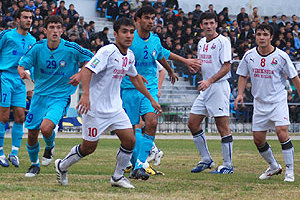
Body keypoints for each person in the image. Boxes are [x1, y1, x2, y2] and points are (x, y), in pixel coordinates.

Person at [54, 17, 161, 189]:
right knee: (88, 148)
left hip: (115, 109)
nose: (128, 35)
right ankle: (62, 166)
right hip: (95, 109)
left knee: (129, 140)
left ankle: (117, 177)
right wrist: (86, 95)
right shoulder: (107, 51)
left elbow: (135, 78)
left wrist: (151, 99)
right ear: (116, 34)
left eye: (131, 32)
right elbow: (88, 69)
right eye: (124, 32)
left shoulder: (130, 56)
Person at [121, 6, 201, 180]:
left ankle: (141, 164)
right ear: (138, 19)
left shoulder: (155, 40)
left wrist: (172, 69)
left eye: (153, 18)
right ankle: (135, 165)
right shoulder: (129, 39)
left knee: (152, 121)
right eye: (147, 18)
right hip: (128, 88)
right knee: (130, 131)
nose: (151, 21)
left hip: (148, 88)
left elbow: (162, 55)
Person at [17, 15, 93, 177]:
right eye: (51, 27)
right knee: (31, 134)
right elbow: (22, 64)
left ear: (62, 30)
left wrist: (80, 74)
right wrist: (22, 72)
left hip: (60, 97)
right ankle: (34, 165)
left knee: (46, 128)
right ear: (45, 30)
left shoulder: (71, 48)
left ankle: (50, 146)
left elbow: (93, 60)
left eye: (58, 27)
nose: (55, 31)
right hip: (39, 96)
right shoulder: (37, 48)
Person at [234, 24, 300, 182]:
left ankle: (290, 170)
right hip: (260, 103)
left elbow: (294, 78)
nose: (261, 37)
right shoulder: (249, 55)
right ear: (255, 37)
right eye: (259, 34)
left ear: (271, 37)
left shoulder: (281, 56)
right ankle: (274, 166)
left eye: (265, 34)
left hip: (278, 101)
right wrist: (240, 94)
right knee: (258, 139)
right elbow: (243, 75)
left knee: (282, 131)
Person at [188, 12, 234, 174]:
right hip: (206, 88)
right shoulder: (201, 42)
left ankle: (228, 166)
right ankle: (206, 159)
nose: (209, 26)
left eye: (211, 23)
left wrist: (210, 80)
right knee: (193, 123)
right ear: (201, 26)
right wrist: (195, 68)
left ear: (216, 24)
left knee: (222, 126)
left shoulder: (223, 41)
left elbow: (227, 67)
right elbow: (205, 64)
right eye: (205, 23)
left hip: (218, 87)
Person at [0, 8, 36, 168]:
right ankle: (0, 152)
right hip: (5, 77)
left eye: (30, 18)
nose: (29, 20)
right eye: (25, 17)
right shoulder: (7, 35)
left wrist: (34, 83)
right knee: (4, 116)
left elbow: (33, 63)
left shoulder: (32, 40)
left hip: (20, 81)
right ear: (17, 20)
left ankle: (14, 153)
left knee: (21, 117)